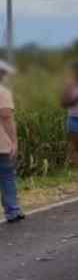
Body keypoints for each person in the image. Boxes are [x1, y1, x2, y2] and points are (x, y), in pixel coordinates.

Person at [0, 60, 23, 223]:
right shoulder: (2, 92)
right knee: (7, 177)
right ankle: (12, 211)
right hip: (1, 145)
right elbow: (6, 117)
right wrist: (14, 141)